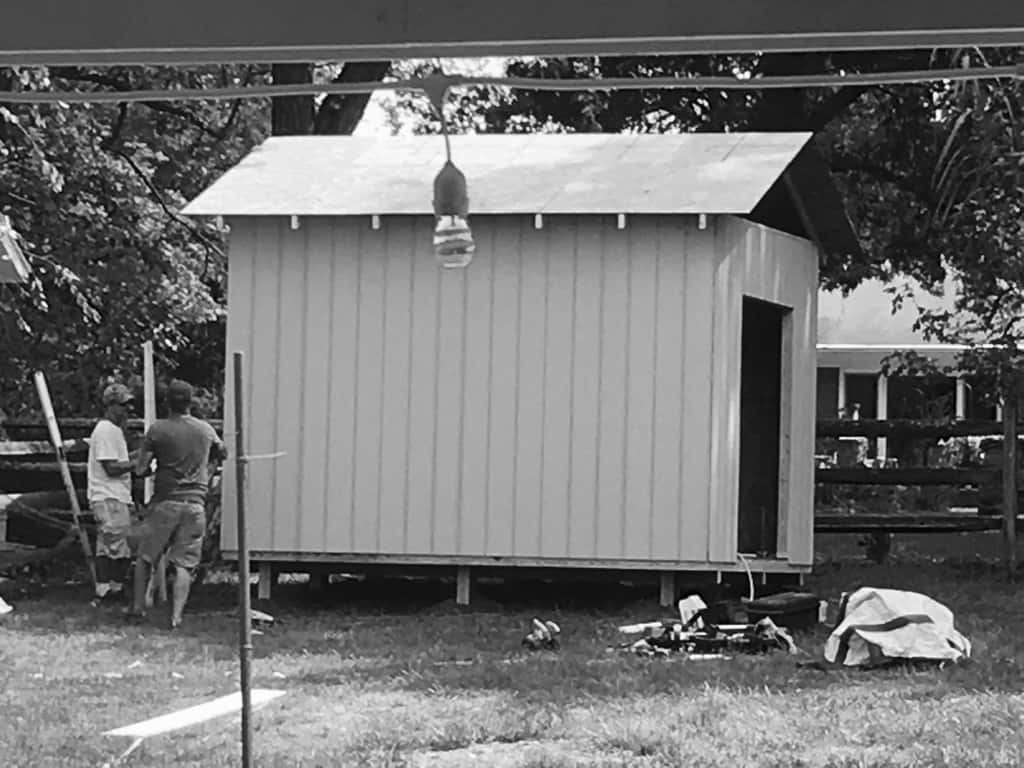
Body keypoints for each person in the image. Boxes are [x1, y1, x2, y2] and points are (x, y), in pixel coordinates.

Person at [129, 379, 226, 627]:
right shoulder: (205, 430)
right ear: (190, 403)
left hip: (166, 502)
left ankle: (138, 608)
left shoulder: (158, 430)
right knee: (185, 563)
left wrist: (146, 472)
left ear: (167, 402)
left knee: (146, 556)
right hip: (195, 505)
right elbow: (222, 451)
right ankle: (176, 616)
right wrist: (209, 468)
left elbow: (141, 467)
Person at [86, 383, 137, 606]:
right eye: (123, 405)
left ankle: (110, 589)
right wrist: (136, 464)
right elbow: (110, 467)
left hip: (115, 495)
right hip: (108, 495)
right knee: (114, 545)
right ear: (111, 405)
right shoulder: (106, 430)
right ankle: (107, 590)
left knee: (115, 545)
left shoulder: (114, 431)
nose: (127, 410)